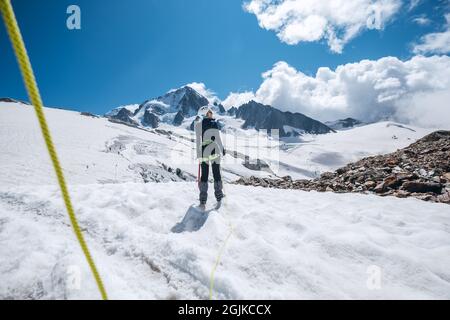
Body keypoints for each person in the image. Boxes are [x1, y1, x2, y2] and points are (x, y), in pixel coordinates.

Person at [195, 107, 226, 209]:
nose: (211, 114)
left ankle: (203, 200)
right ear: (205, 113)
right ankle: (219, 196)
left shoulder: (199, 124)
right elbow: (218, 138)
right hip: (214, 149)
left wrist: (199, 153)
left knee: (204, 175)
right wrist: (222, 149)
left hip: (204, 150)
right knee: (216, 173)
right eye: (209, 112)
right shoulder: (214, 123)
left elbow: (198, 140)